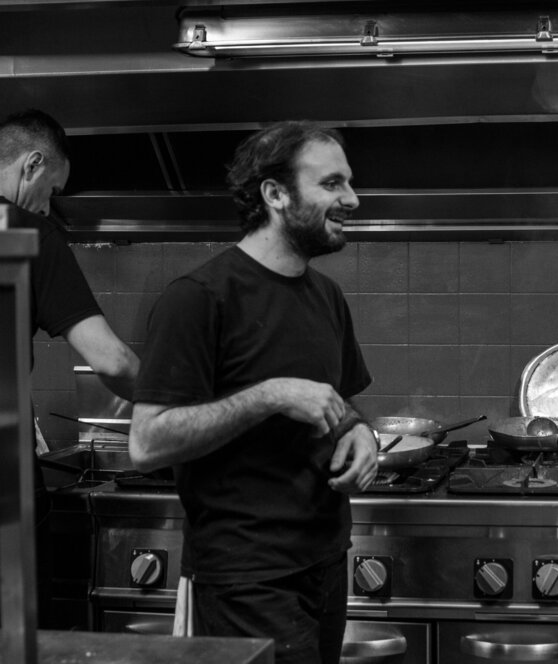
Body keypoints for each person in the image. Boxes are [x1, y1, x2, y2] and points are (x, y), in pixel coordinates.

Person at [129, 121, 378, 664]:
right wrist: (268, 395)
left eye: (349, 182)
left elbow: (337, 401)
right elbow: (146, 443)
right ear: (275, 194)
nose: (352, 199)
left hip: (324, 561)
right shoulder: (199, 298)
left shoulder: (326, 296)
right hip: (245, 578)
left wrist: (359, 431)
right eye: (332, 184)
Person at [0, 109, 140, 626]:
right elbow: (111, 359)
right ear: (31, 164)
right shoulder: (28, 233)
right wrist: (183, 400)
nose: (49, 206)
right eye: (52, 189)